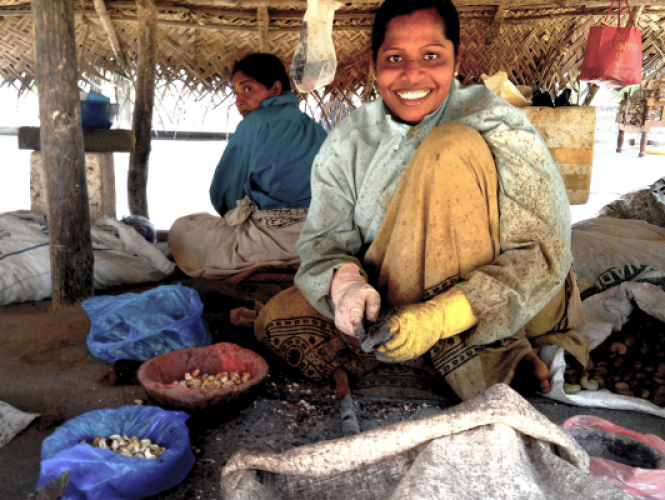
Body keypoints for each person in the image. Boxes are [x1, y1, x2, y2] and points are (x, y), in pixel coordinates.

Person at [255, 0, 588, 401]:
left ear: (455, 59)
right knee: (277, 318)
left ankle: (489, 355)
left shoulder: (496, 123)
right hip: (396, 294)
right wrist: (345, 286)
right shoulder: (350, 141)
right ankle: (419, 353)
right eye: (395, 57)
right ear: (375, 64)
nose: (412, 74)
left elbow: (542, 255)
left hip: (503, 302)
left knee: (448, 148)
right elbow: (325, 243)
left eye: (431, 56)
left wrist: (439, 316)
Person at [169, 54, 327, 278]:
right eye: (236, 92)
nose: (238, 100)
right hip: (318, 241)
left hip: (269, 243)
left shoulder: (255, 123)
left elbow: (225, 196)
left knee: (183, 228)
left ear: (274, 89)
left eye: (247, 89)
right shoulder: (316, 128)